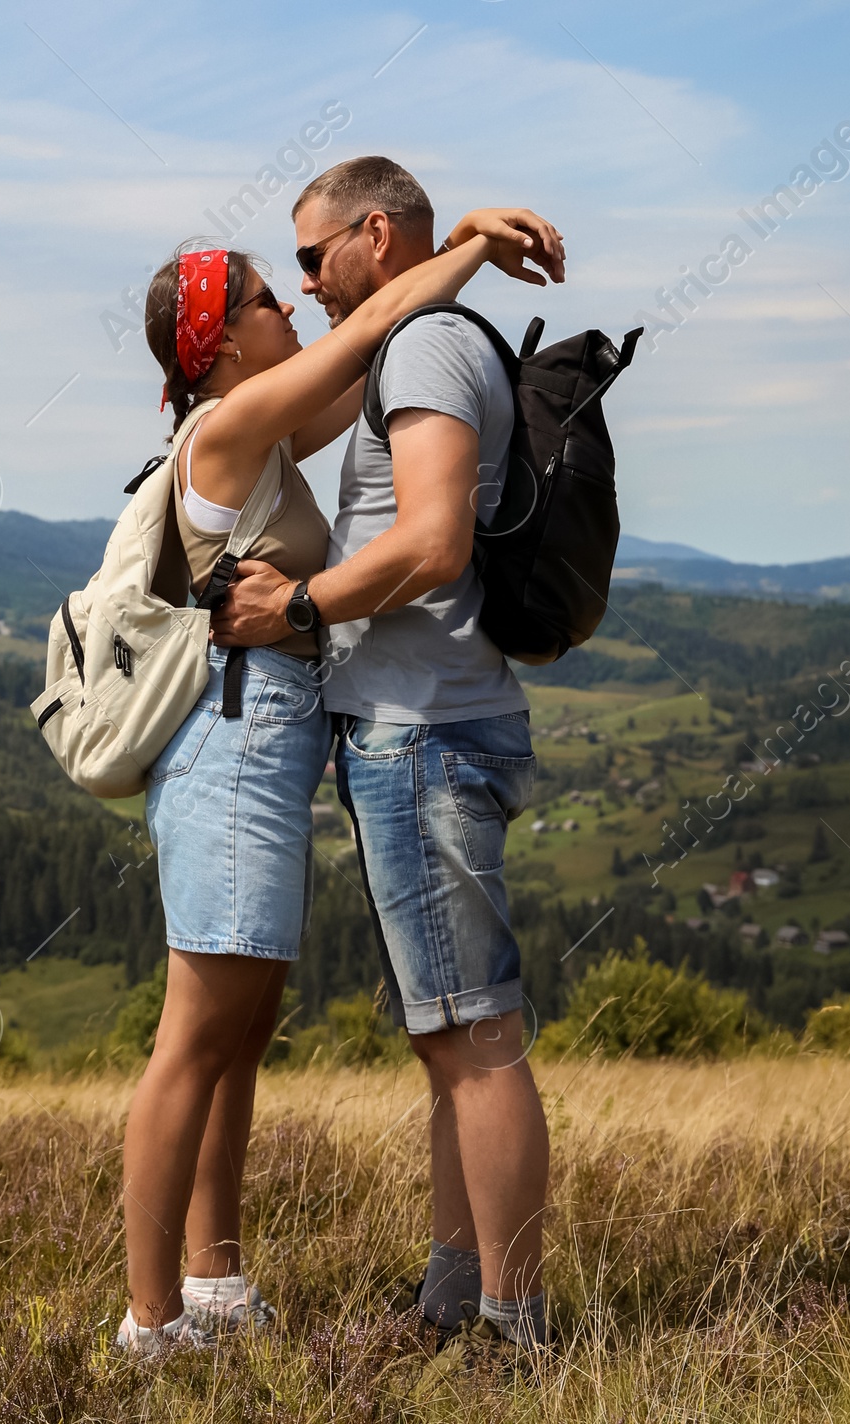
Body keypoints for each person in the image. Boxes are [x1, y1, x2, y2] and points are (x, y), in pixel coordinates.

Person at [117, 199, 565, 1359]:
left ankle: (211, 1287)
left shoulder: (260, 435)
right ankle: (149, 1320)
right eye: (273, 292)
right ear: (219, 343)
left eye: (301, 274)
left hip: (272, 743)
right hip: (236, 742)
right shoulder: (225, 425)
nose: (295, 299)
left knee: (237, 1034)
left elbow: (370, 332)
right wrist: (468, 247)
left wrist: (443, 254)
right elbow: (373, 325)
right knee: (196, 1037)